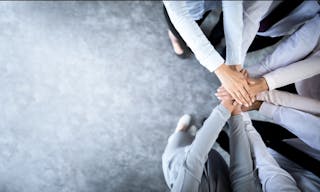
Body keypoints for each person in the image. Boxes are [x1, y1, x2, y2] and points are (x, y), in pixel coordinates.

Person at [162, 90, 300, 191]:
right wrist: (235, 115)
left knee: (173, 152)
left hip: (182, 165)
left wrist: (224, 109)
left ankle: (180, 132)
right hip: (218, 175)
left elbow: (193, 160)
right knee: (203, 144)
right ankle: (190, 133)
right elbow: (243, 176)